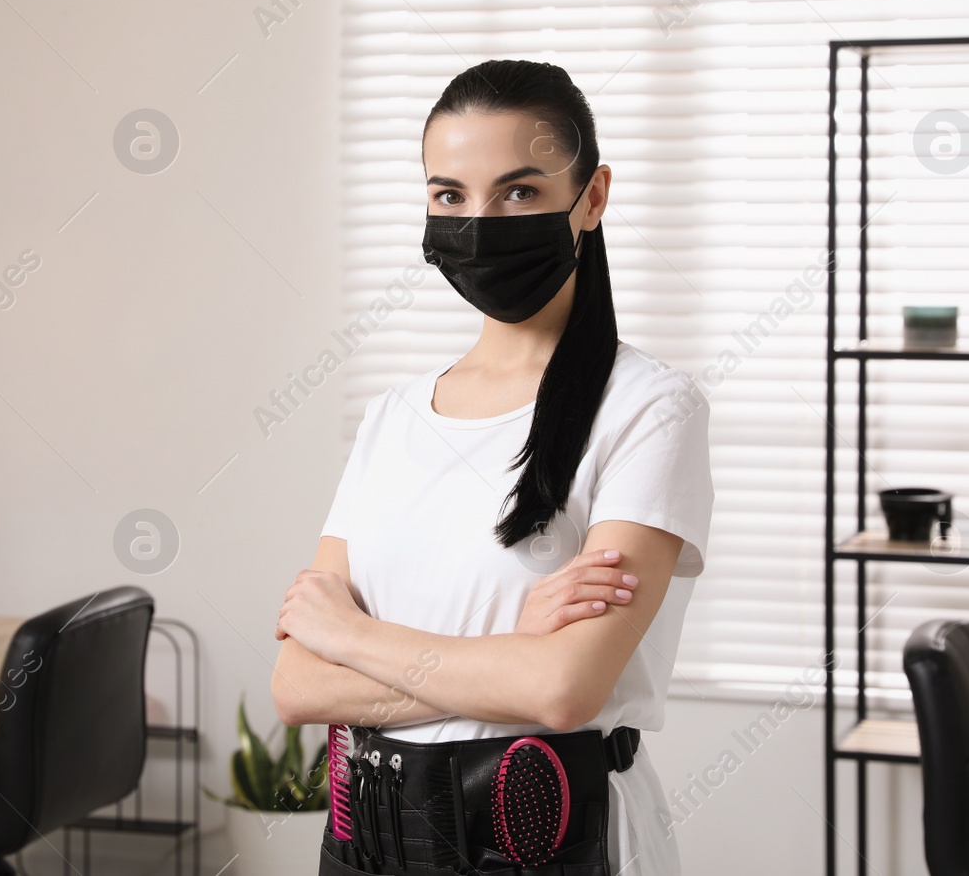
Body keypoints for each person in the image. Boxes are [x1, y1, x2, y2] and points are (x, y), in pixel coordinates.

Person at [273, 59, 713, 876]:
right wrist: (509, 653)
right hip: (365, 838)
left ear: (593, 197)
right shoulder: (391, 418)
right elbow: (298, 683)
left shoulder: (651, 409)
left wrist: (354, 637)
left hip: (544, 843)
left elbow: (562, 693)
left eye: (518, 192)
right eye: (450, 195)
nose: (480, 222)